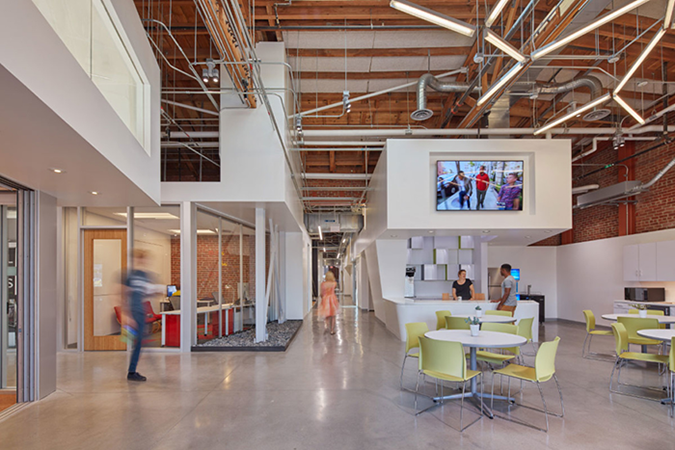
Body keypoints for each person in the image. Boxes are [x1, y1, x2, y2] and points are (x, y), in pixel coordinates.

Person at [123, 250, 163, 382]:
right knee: (136, 341)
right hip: (134, 312)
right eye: (141, 259)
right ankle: (132, 371)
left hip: (141, 311)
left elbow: (145, 293)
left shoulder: (145, 276)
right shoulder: (130, 276)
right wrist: (126, 315)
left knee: (140, 342)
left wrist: (156, 291)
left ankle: (132, 370)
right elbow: (121, 294)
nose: (144, 262)